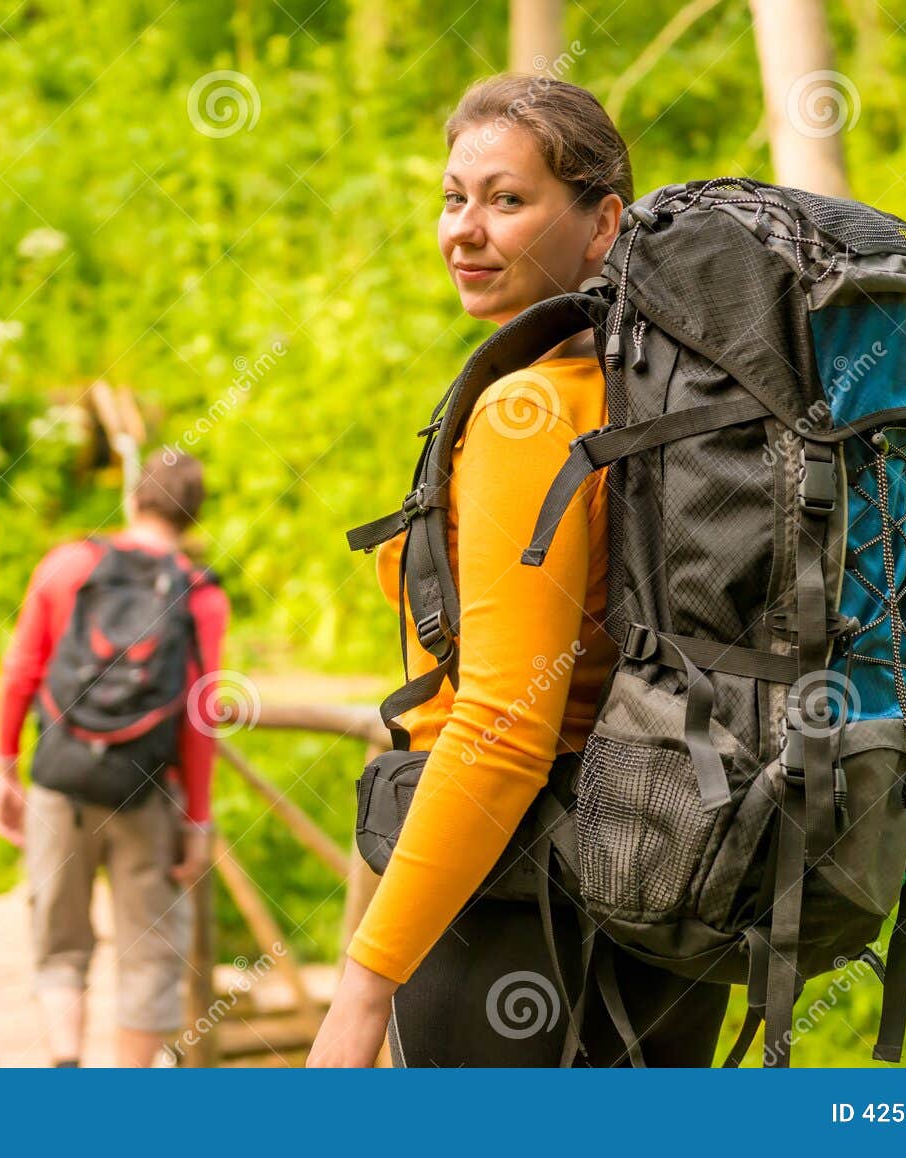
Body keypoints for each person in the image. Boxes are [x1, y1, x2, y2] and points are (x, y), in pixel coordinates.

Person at [308, 76, 730, 1067]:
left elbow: (499, 729)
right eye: (454, 197)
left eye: (506, 200)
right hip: (676, 886)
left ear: (602, 224)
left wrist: (363, 991)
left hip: (511, 906)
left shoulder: (525, 416)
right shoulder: (672, 402)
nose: (464, 229)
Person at [0, 450, 229, 1067]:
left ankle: (66, 1071)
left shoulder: (67, 565)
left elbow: (18, 674)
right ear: (193, 518)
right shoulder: (201, 595)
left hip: (62, 782)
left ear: (133, 500)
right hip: (146, 792)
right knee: (150, 954)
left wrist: (4, 768)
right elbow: (200, 717)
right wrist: (197, 821)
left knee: (60, 943)